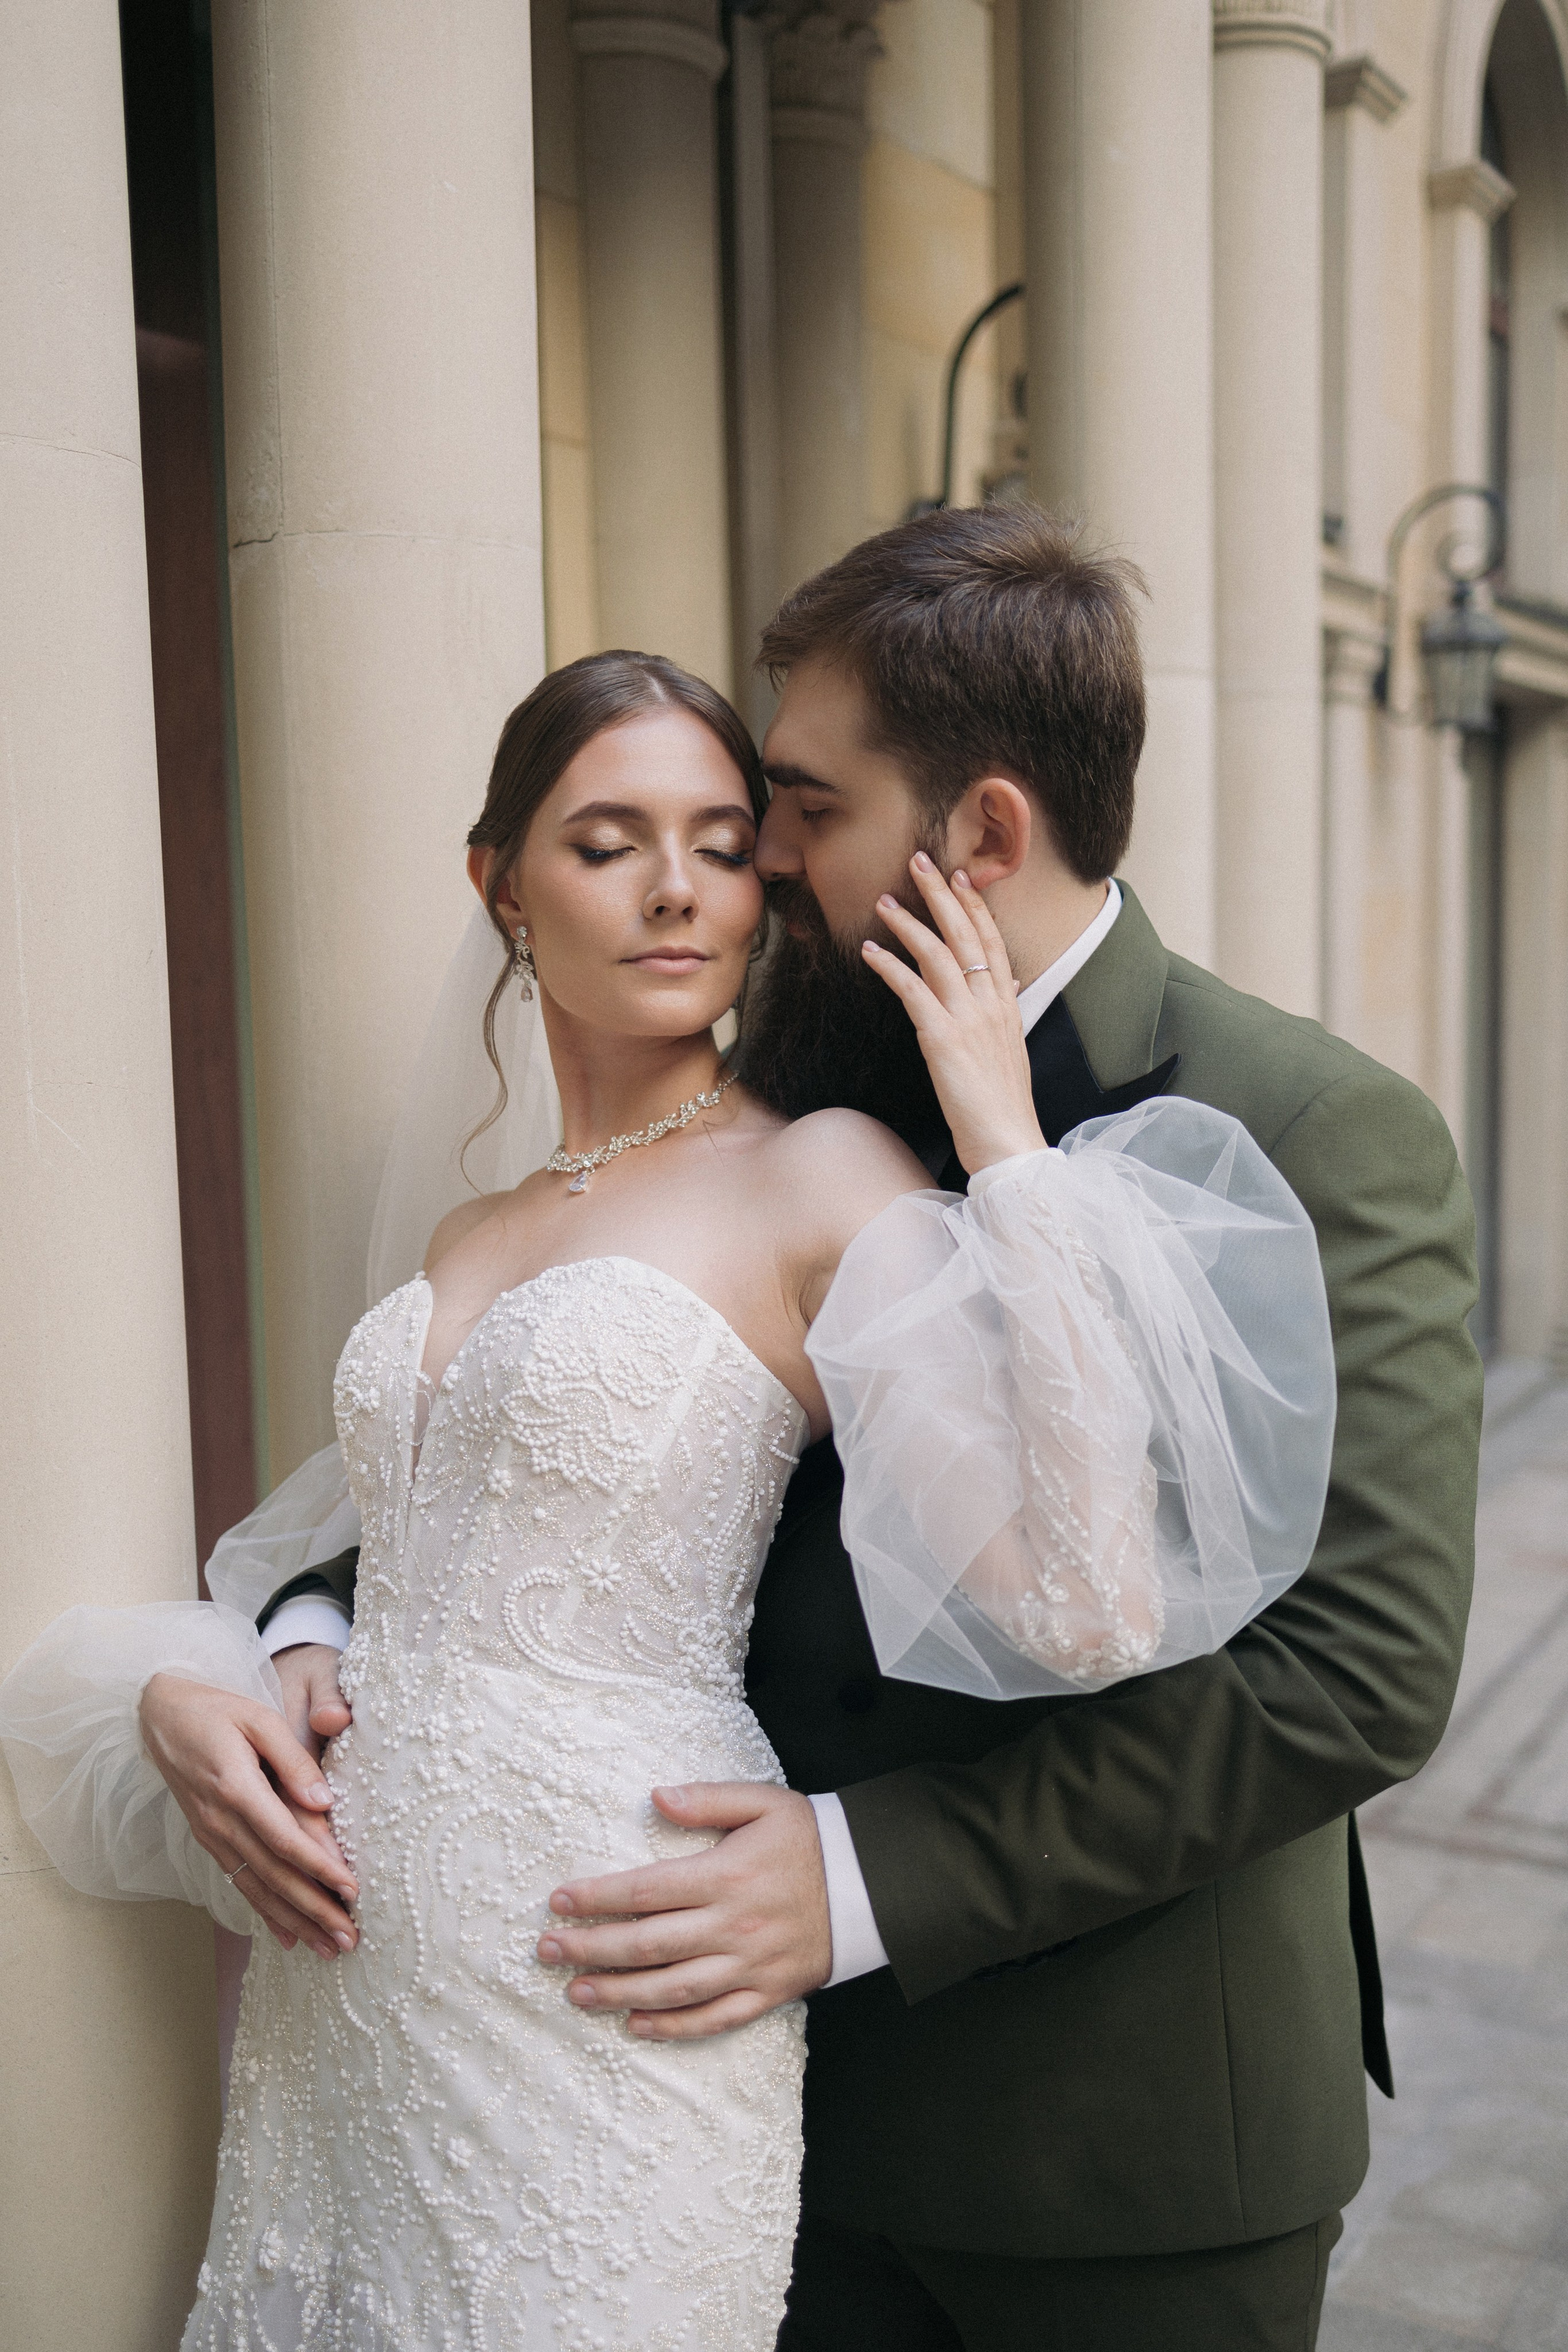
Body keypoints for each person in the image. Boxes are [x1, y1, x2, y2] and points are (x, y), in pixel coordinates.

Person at [0, 628, 1334, 2351]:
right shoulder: (468, 1232)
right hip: (351, 1999)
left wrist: (1004, 1148)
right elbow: (389, 1537)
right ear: (501, 885)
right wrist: (290, 1641)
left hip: (615, 1975)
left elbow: (1084, 1598)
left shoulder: (816, 1174)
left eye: (720, 842)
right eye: (607, 841)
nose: (677, 890)